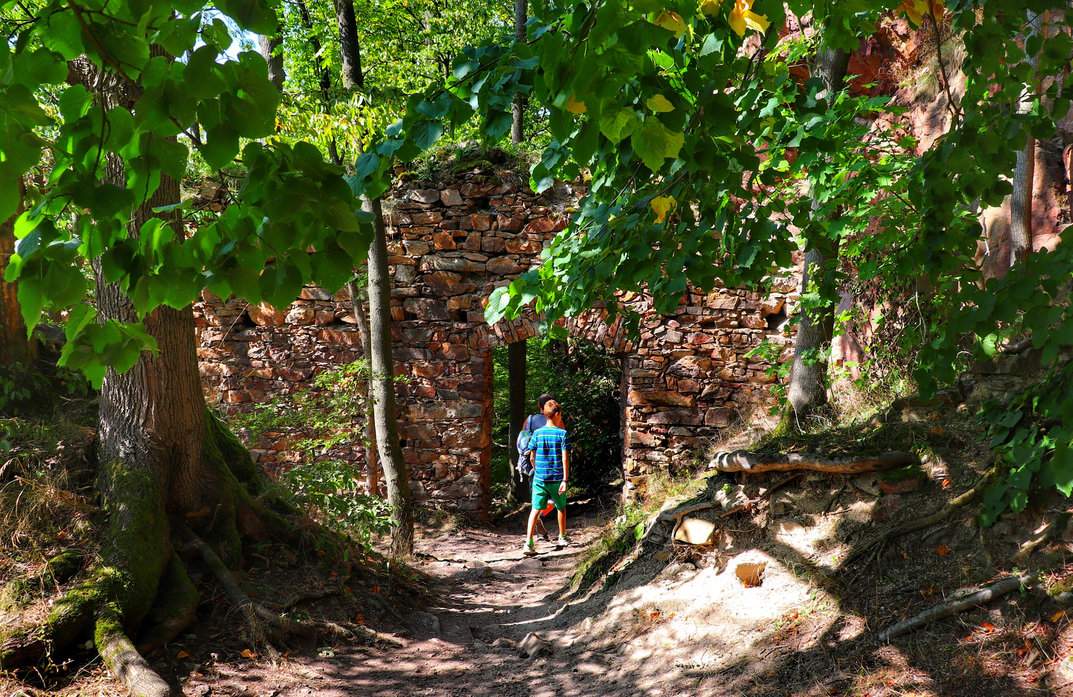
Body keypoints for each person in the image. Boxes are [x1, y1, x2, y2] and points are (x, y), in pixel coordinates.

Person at [523, 401, 570, 556]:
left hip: (540, 478)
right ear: (557, 414)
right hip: (557, 478)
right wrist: (565, 479)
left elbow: (531, 456)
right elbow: (565, 458)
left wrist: (537, 470)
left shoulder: (537, 433)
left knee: (535, 510)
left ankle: (529, 543)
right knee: (560, 507)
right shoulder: (562, 434)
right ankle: (562, 537)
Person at [519, 394, 556, 540]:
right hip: (550, 465)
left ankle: (535, 524)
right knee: (553, 499)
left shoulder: (529, 420)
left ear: (538, 406)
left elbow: (522, 441)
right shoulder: (555, 420)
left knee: (538, 496)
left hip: (531, 465)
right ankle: (538, 517)